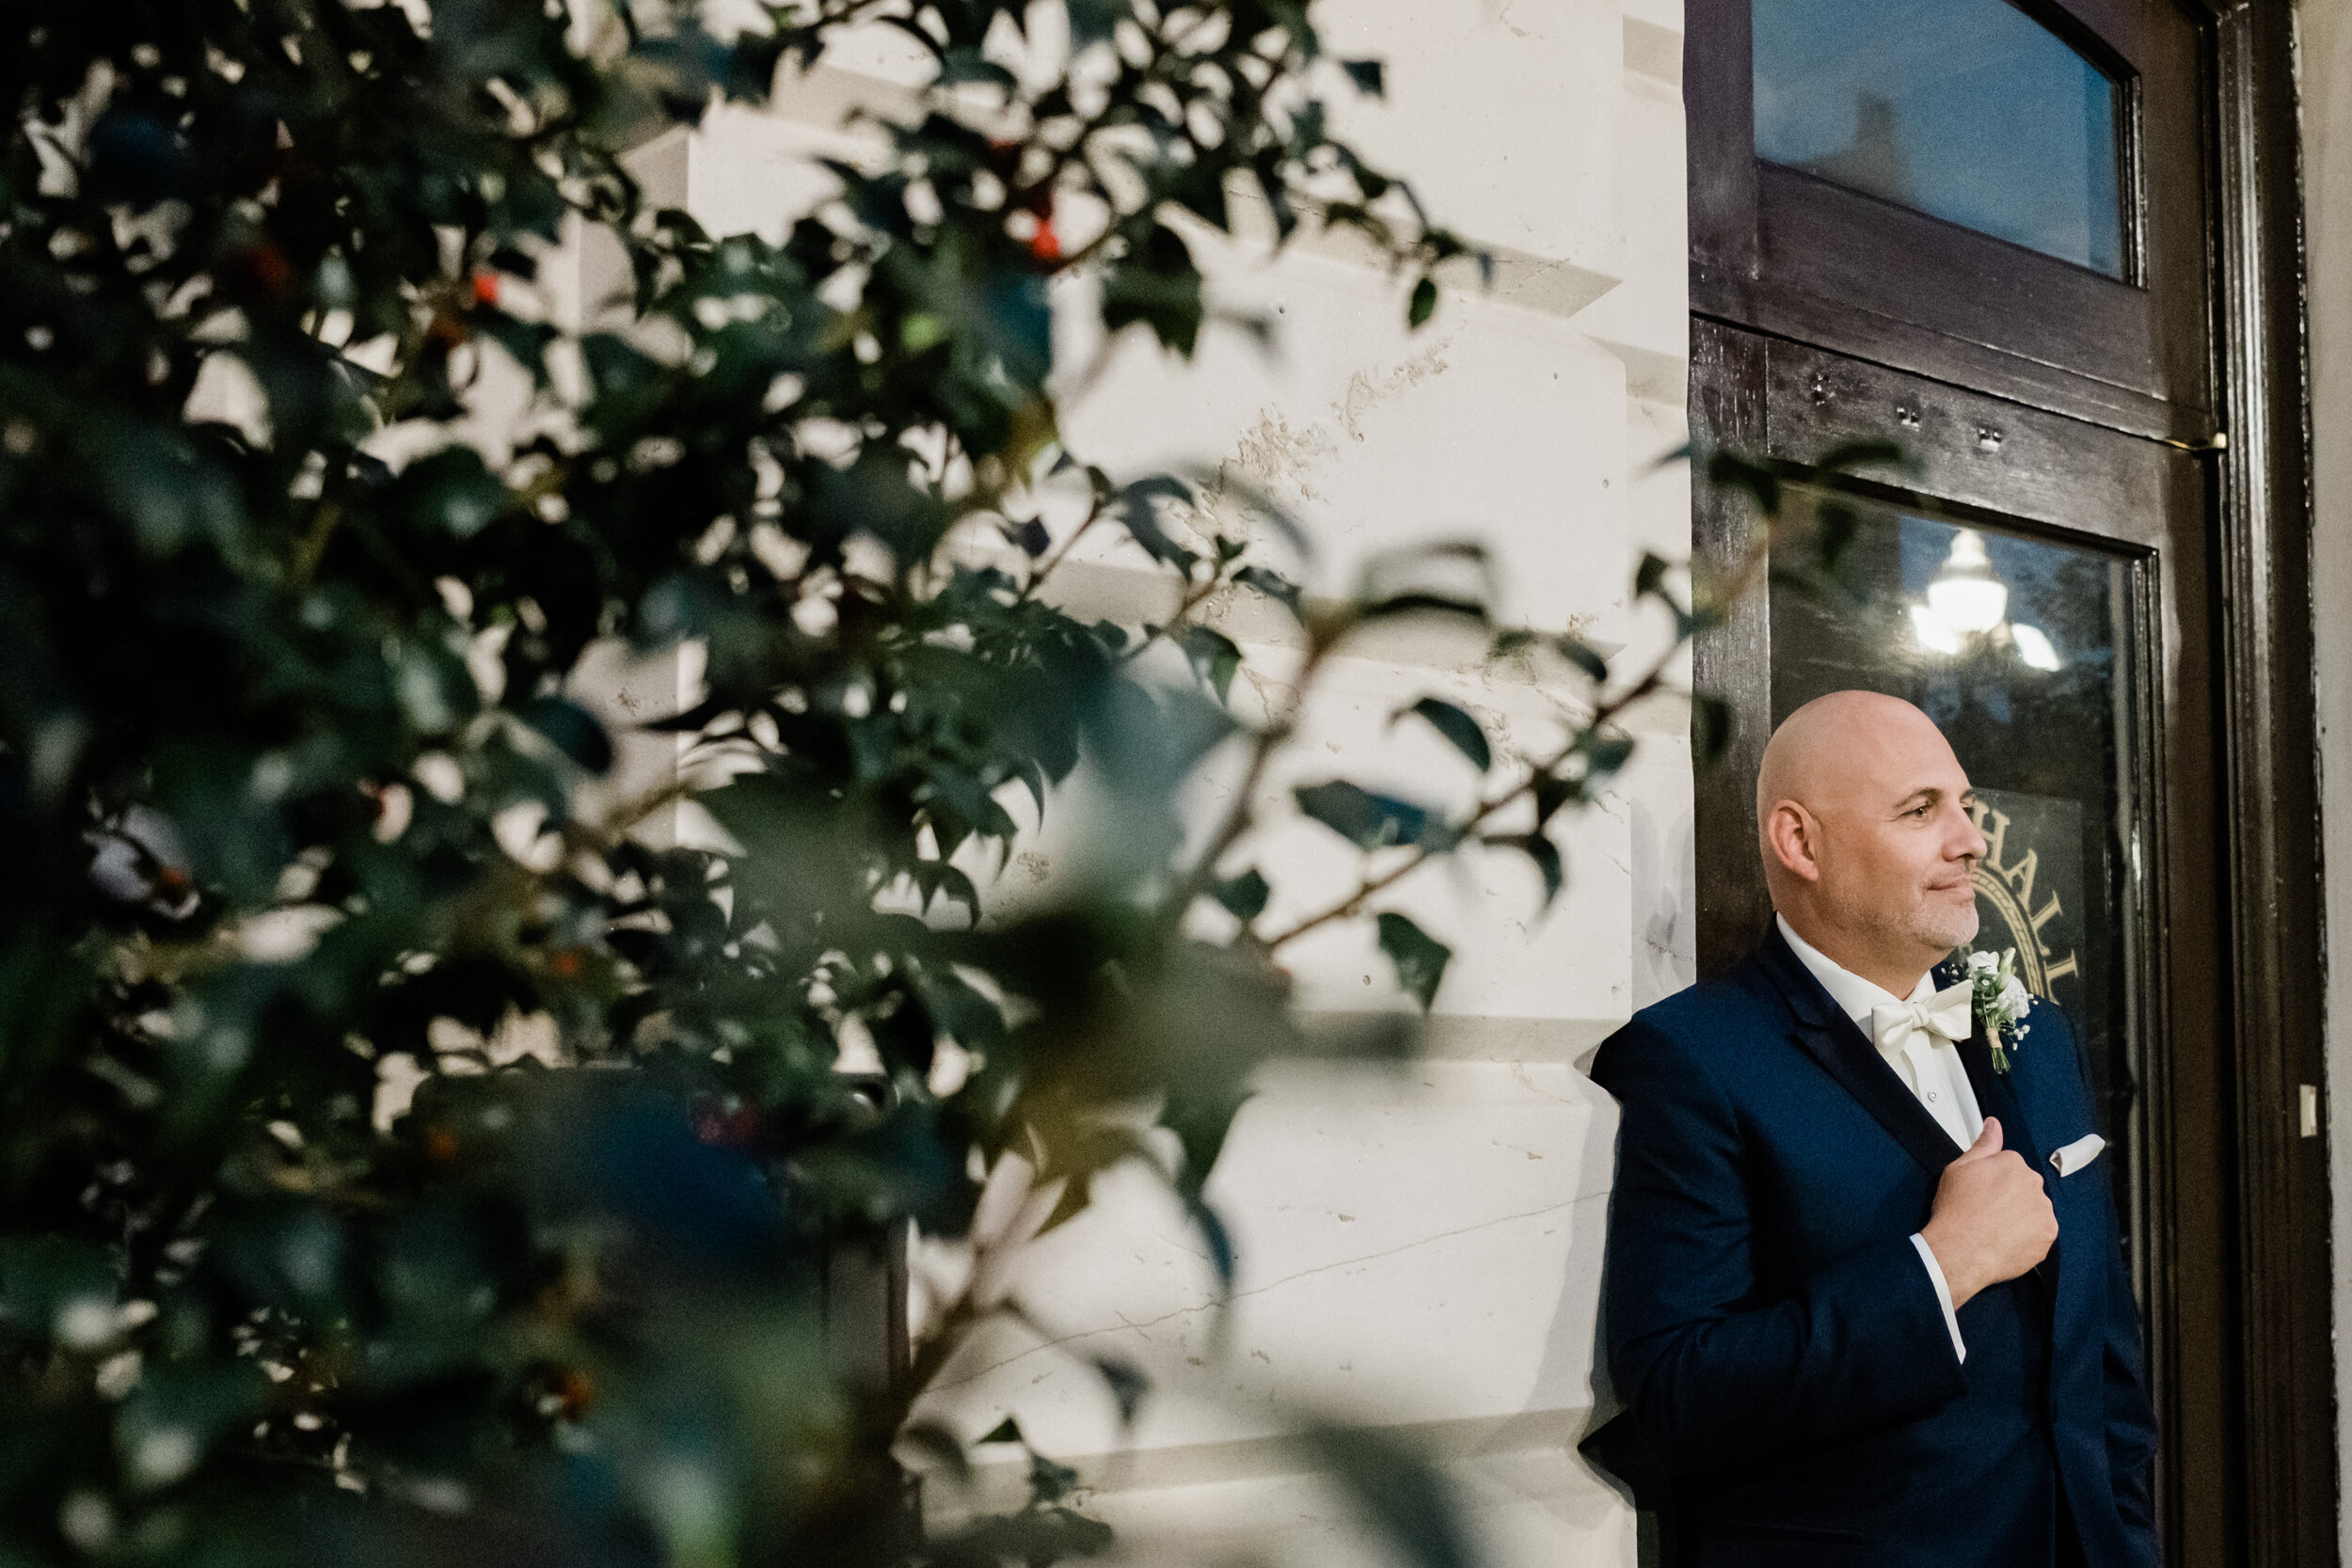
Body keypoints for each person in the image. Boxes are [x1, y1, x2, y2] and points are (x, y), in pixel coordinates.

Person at [1581, 690, 2155, 1567]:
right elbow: (1680, 1392)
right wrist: (1943, 1267)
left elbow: (2105, 1361)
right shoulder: (1691, 1060)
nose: (1968, 839)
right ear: (1800, 842)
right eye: (1921, 810)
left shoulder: (2039, 1039)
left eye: (1965, 805)